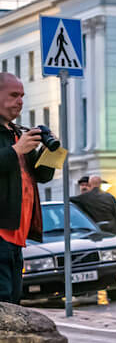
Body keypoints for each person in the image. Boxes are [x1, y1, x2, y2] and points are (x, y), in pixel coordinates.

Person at [0, 72, 56, 304]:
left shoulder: (17, 133)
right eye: (13, 95)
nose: (20, 101)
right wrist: (16, 150)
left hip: (17, 235)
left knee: (13, 300)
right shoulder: (16, 141)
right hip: (1, 232)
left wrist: (53, 153)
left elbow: (43, 176)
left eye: (22, 95)